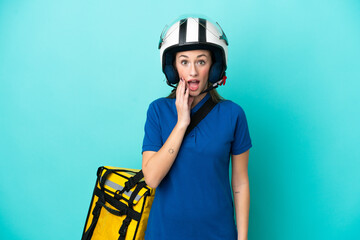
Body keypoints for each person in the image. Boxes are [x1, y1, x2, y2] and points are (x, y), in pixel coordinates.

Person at [141, 17, 252, 240]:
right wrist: (182, 123)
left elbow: (240, 181)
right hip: (164, 234)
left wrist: (242, 238)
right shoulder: (158, 111)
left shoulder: (233, 114)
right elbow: (152, 178)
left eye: (201, 62)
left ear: (214, 68)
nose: (192, 71)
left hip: (218, 233)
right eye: (184, 62)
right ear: (172, 68)